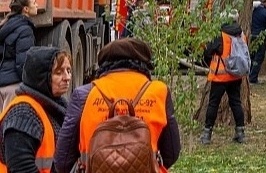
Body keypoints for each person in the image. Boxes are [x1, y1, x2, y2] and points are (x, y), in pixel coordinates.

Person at [53, 38, 181, 173]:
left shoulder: (84, 95)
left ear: (103, 65)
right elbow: (171, 153)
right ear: (144, 64)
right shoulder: (159, 92)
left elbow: (63, 161)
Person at [0, 46, 71, 173]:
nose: (67, 77)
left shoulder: (54, 106)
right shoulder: (23, 113)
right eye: (59, 73)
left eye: (68, 71)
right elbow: (21, 167)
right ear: (41, 78)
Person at [201, 16, 248, 145]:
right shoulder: (241, 35)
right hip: (236, 76)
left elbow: (208, 51)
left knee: (213, 104)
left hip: (220, 76)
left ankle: (207, 134)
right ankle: (240, 133)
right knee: (236, 103)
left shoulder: (220, 35)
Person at [0, 0, 39, 108]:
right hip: (14, 86)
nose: (37, 5)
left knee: (5, 123)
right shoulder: (25, 30)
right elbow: (22, 63)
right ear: (26, 9)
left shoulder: (6, 26)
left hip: (2, 84)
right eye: (34, 3)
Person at [249, 0, 266, 84]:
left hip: (253, 36)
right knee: (258, 58)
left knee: (252, 57)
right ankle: (253, 78)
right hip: (261, 38)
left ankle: (249, 75)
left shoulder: (254, 11)